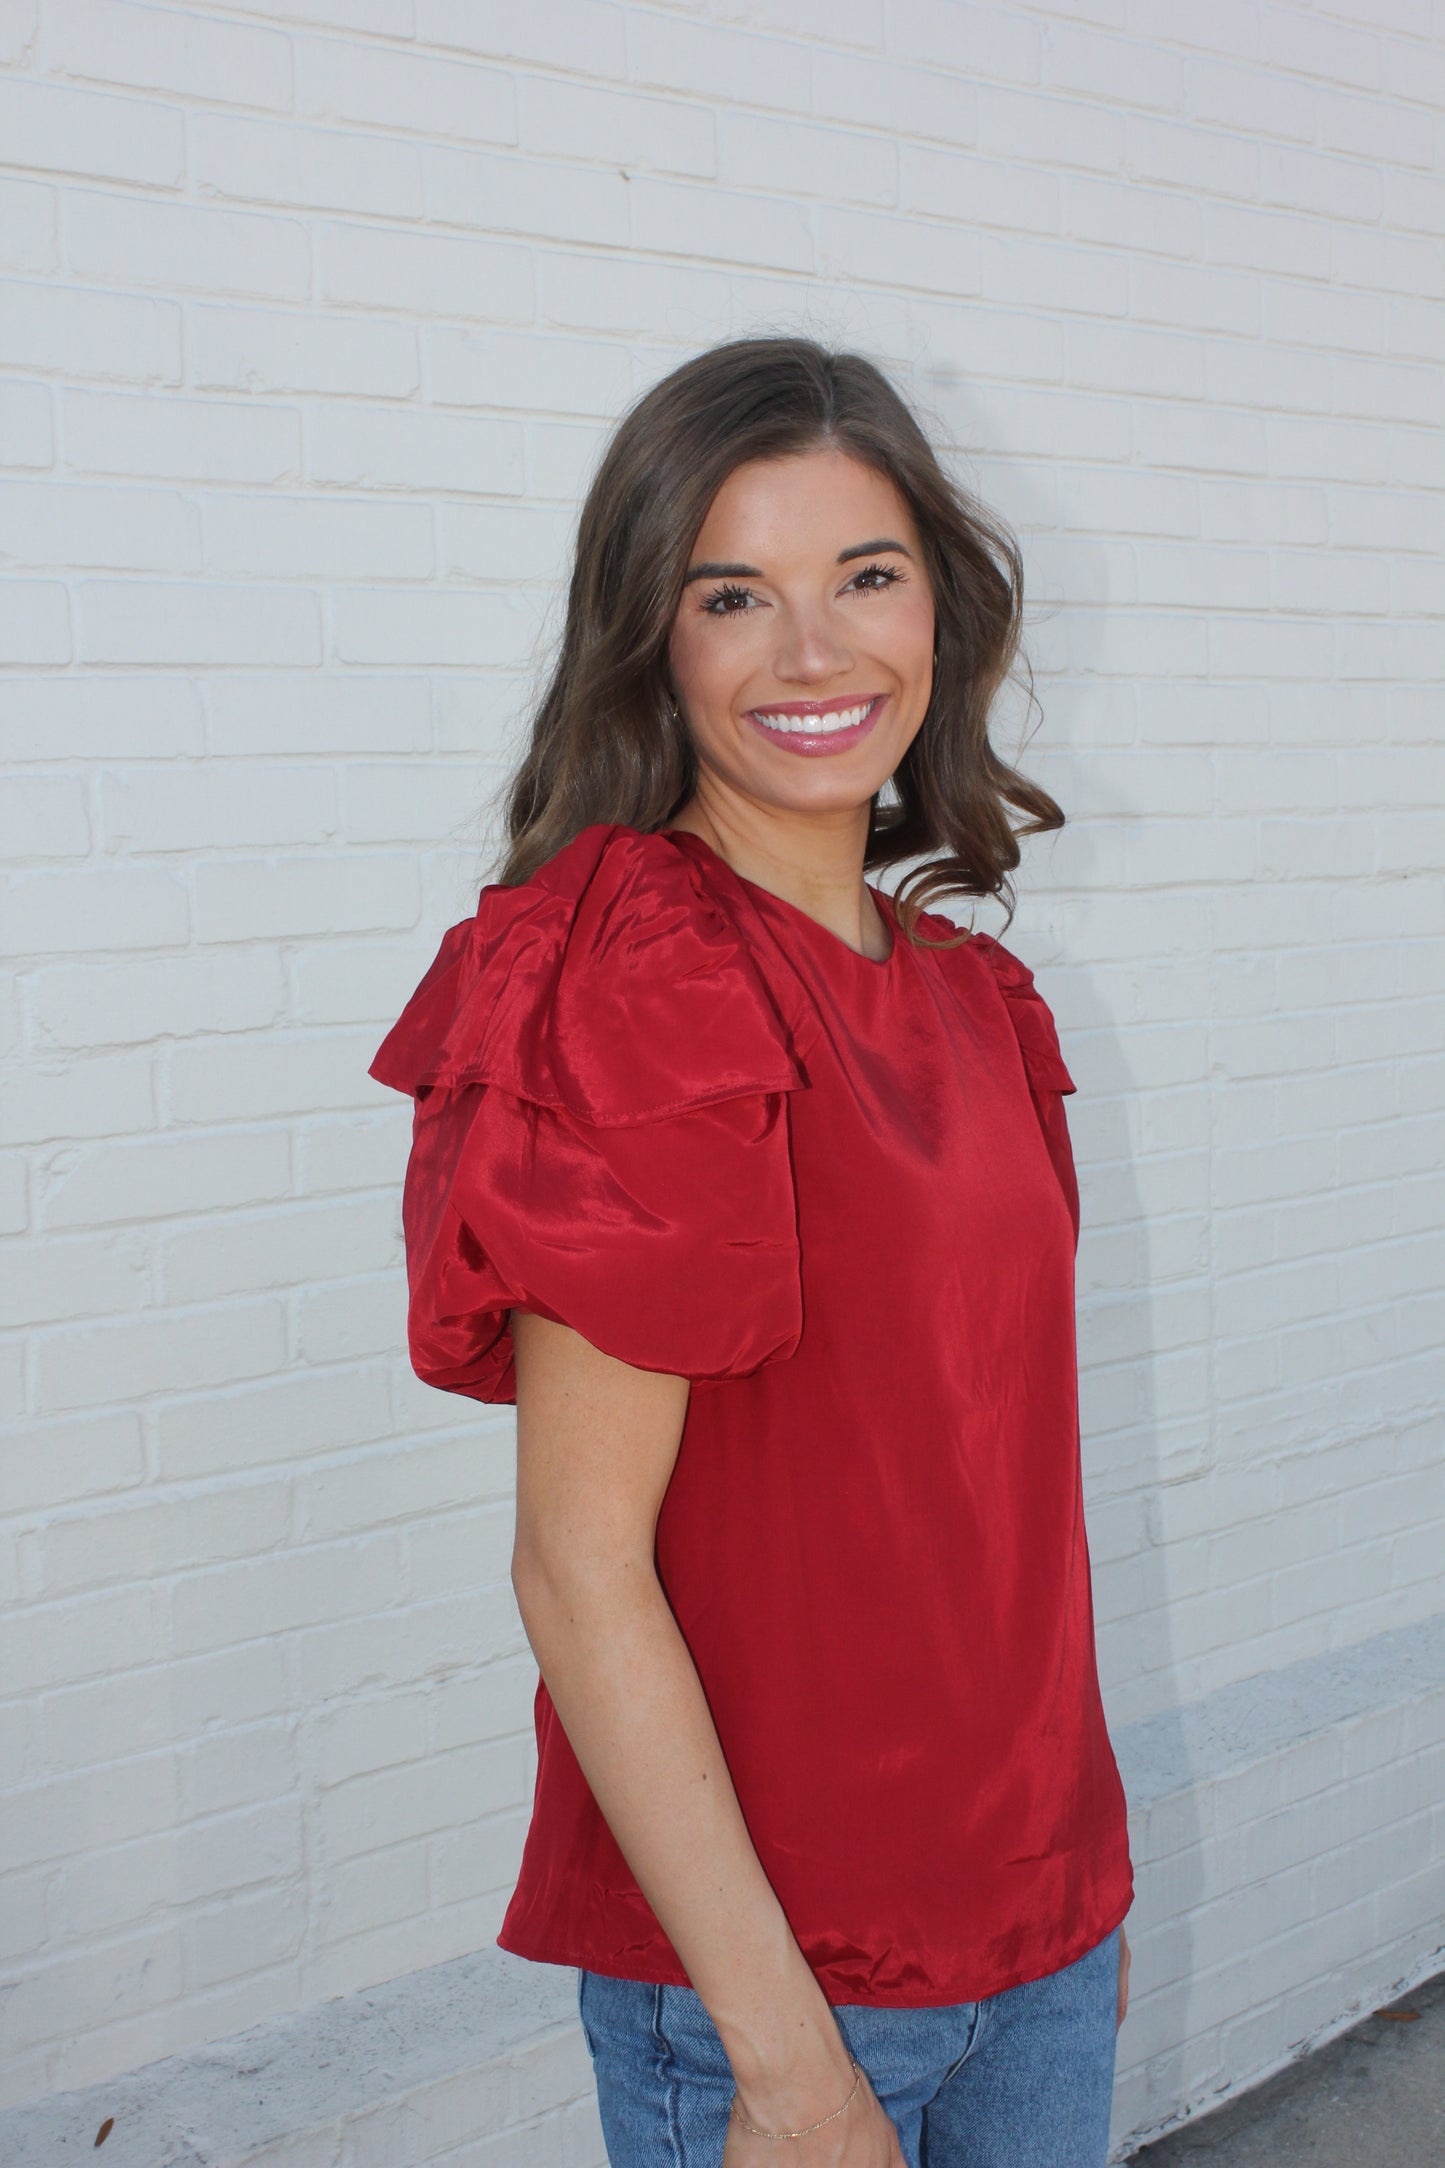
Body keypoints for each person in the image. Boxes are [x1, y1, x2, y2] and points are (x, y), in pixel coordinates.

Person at [370, 337, 1134, 2168]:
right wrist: (781, 2054)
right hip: (779, 1982)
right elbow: (576, 1567)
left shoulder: (976, 994)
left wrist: (1078, 1894)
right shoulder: (639, 980)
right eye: (735, 596)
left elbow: (991, 1496)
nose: (815, 652)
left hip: (1034, 1920)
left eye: (864, 577)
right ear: (653, 636)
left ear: (938, 608)